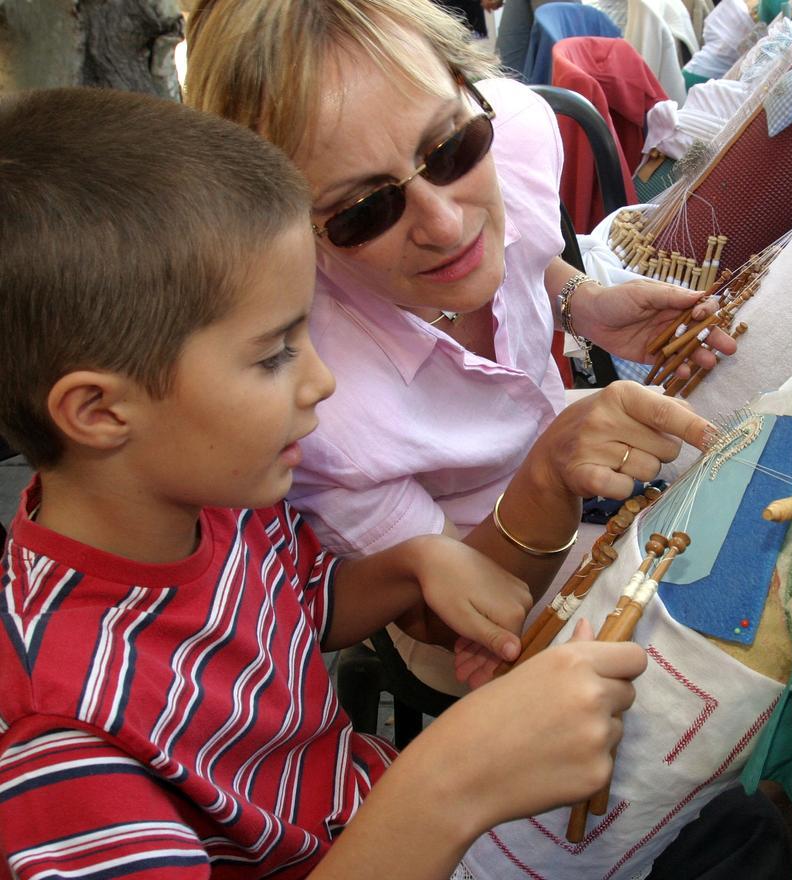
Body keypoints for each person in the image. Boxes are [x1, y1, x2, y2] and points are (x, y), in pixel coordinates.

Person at [0, 86, 650, 879]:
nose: (320, 382)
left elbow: (304, 603)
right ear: (99, 411)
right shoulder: (60, 736)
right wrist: (450, 783)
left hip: (369, 802)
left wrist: (410, 568)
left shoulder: (216, 504)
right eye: (275, 354)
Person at [182, 0, 737, 617]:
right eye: (363, 211)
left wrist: (584, 304)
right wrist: (549, 478)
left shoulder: (513, 138)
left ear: (466, 90)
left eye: (449, 149)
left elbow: (516, 256)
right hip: (484, 563)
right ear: (286, 232)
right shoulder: (321, 409)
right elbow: (443, 621)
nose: (446, 226)